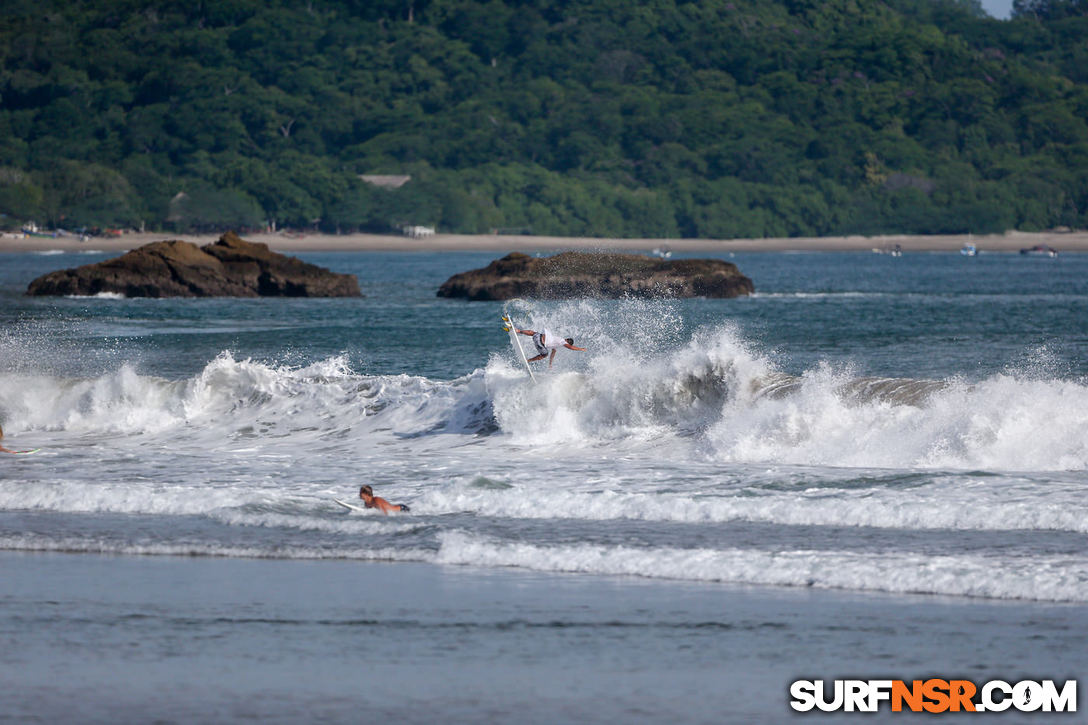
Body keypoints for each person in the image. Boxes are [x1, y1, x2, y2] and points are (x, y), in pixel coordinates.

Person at [512, 327, 586, 368]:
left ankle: (518, 331)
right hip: (540, 343)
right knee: (545, 354)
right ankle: (528, 360)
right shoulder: (563, 342)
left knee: (534, 333)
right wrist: (581, 349)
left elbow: (553, 354)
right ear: (567, 342)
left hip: (537, 337)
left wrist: (550, 364)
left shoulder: (557, 342)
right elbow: (571, 347)